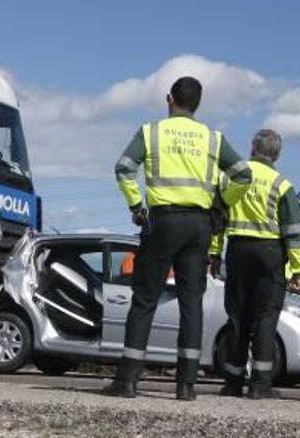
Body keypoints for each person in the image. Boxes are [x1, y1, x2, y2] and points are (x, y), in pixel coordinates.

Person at [105, 76, 252, 401]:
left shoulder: (151, 132)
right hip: (199, 225)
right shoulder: (213, 138)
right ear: (198, 104)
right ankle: (186, 386)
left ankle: (127, 380)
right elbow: (244, 174)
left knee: (145, 299)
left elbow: (124, 168)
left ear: (168, 98)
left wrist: (136, 206)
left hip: (163, 221)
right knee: (191, 302)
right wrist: (222, 202)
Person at [209, 129, 300, 399]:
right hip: (269, 253)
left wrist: (214, 254)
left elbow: (218, 220)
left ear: (252, 147)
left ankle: (232, 381)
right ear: (277, 154)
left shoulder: (230, 178)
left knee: (238, 316)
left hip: (238, 251)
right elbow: (294, 231)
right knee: (266, 317)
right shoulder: (281, 184)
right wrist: (297, 268)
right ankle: (260, 384)